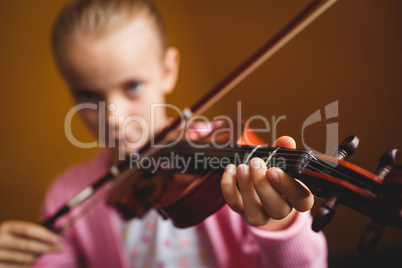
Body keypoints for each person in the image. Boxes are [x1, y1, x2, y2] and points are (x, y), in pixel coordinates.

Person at [0, 0, 327, 267]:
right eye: (88, 95)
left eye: (132, 86)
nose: (113, 117)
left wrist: (281, 227)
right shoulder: (66, 195)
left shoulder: (229, 166)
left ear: (168, 71)